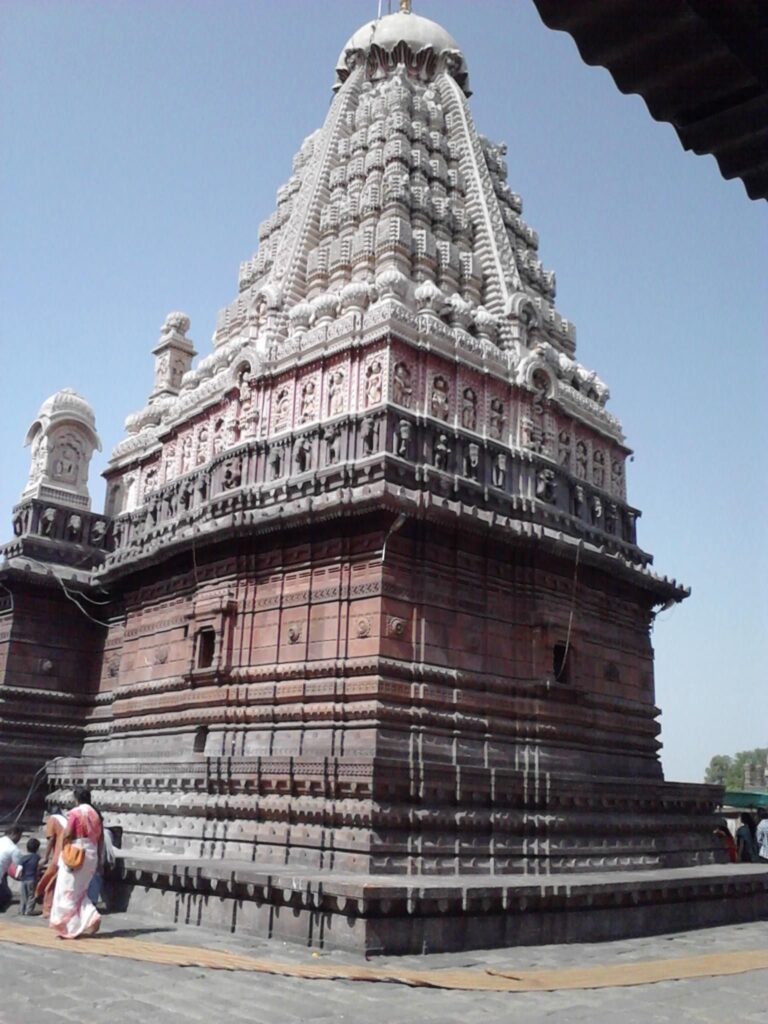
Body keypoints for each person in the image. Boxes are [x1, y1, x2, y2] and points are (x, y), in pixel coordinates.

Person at [49, 787, 102, 939]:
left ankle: (69, 928)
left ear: (76, 799)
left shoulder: (76, 813)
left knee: (68, 890)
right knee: (80, 891)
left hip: (76, 854)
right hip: (91, 854)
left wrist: (65, 846)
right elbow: (99, 838)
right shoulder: (96, 814)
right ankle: (91, 916)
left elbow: (67, 833)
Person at [36, 806, 68, 918]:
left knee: (49, 882)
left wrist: (45, 856)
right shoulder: (66, 820)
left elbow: (51, 840)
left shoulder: (52, 820)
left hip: (59, 857)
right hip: (69, 855)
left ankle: (47, 910)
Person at [0, 826, 22, 912]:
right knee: (6, 896)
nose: (19, 839)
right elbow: (19, 868)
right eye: (19, 836)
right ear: (13, 834)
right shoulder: (13, 849)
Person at [16, 838, 41, 915]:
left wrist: (17, 876)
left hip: (24, 879)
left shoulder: (23, 858)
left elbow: (19, 868)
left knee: (23, 895)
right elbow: (40, 865)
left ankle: (21, 910)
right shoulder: (37, 857)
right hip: (32, 879)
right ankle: (29, 910)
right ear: (37, 848)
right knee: (31, 895)